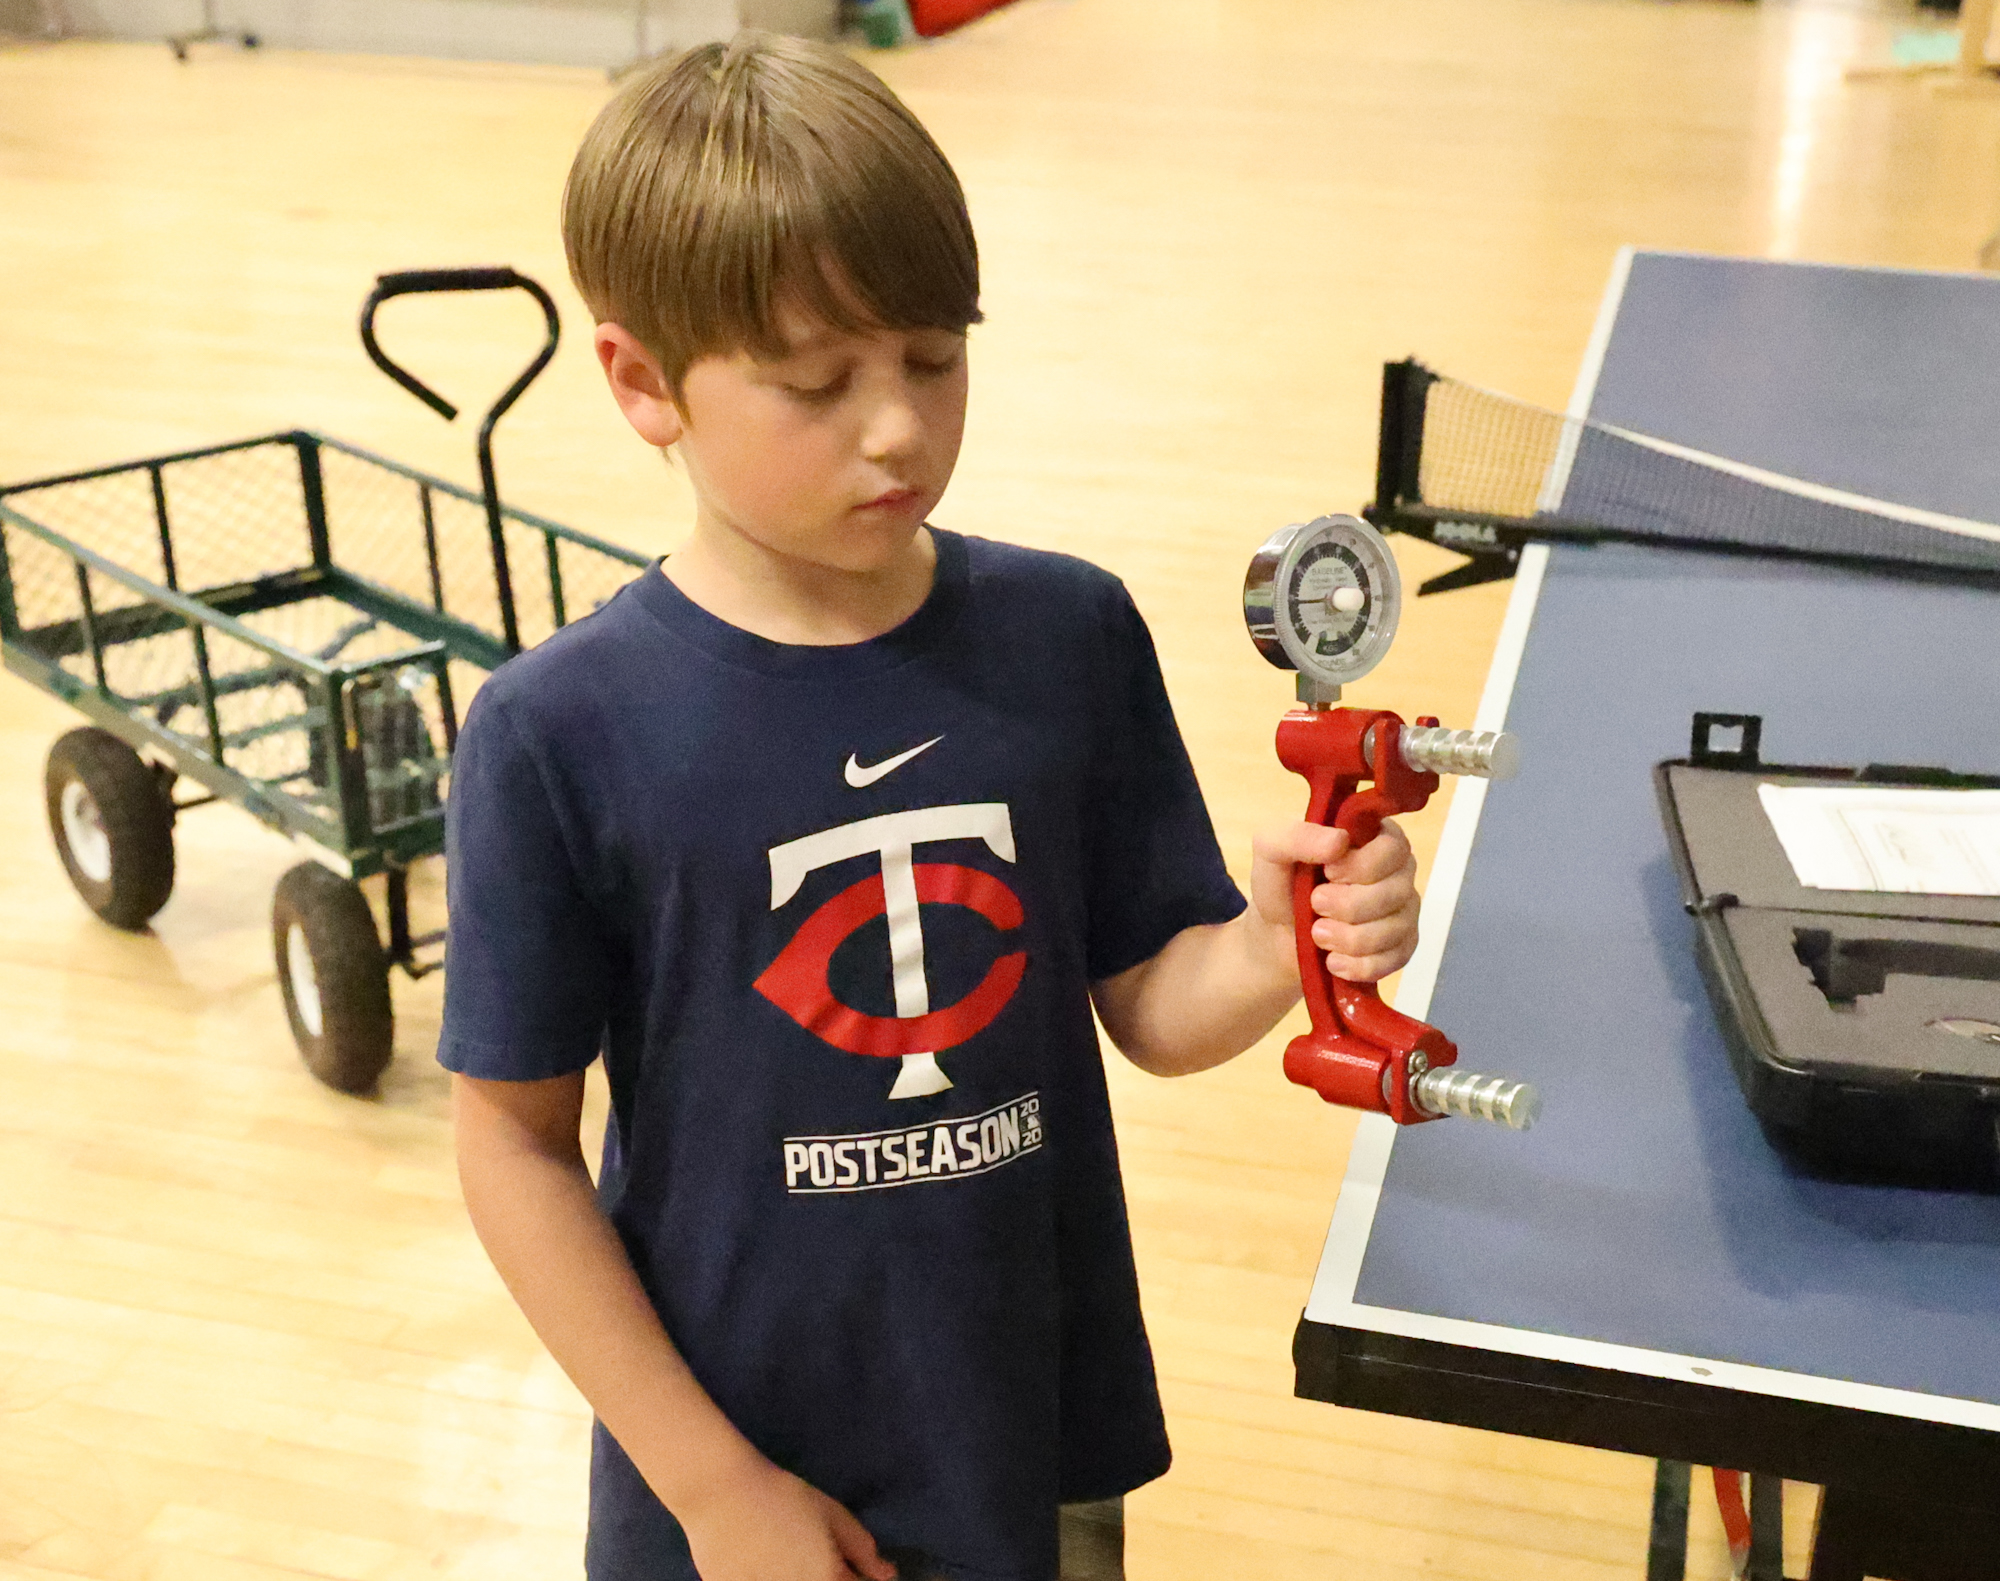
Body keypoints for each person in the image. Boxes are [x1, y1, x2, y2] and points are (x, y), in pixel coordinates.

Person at [440, 30, 1421, 1581]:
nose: (896, 425)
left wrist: (1276, 937)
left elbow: (1154, 1005)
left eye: (934, 357)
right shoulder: (556, 734)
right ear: (641, 384)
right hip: (739, 1465)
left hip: (1024, 1421)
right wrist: (713, 1486)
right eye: (817, 381)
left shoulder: (1066, 634)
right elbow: (512, 1146)